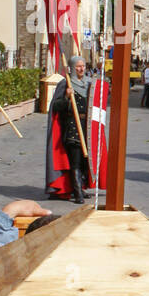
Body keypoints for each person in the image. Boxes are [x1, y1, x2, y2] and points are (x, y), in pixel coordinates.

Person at [46, 54, 92, 203]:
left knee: (86, 162)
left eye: (83, 66)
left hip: (87, 127)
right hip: (73, 126)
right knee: (76, 161)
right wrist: (66, 96)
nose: (81, 69)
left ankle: (80, 187)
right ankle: (77, 192)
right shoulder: (65, 84)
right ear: (72, 68)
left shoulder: (88, 83)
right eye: (78, 66)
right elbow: (55, 106)